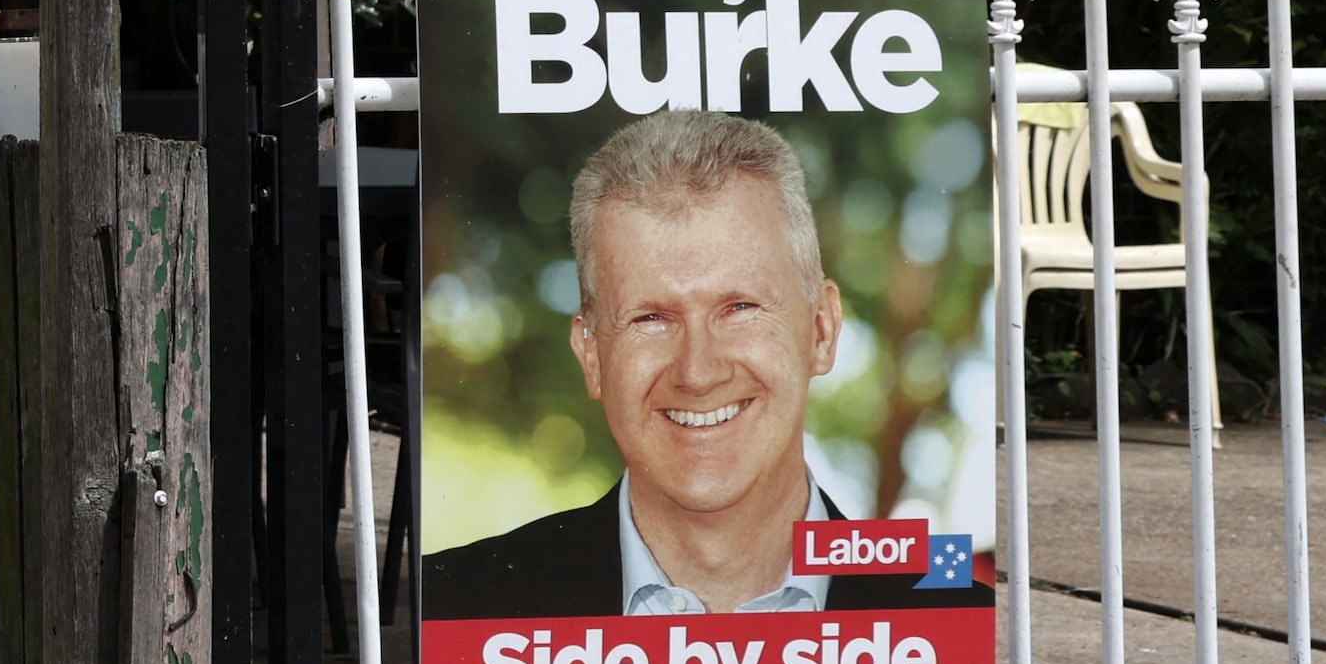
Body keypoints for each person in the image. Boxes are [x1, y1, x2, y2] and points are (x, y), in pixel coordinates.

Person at [420, 108, 984, 620]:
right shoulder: (457, 602)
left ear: (821, 329)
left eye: (739, 308)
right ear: (591, 354)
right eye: (650, 318)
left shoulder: (955, 609)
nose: (698, 371)